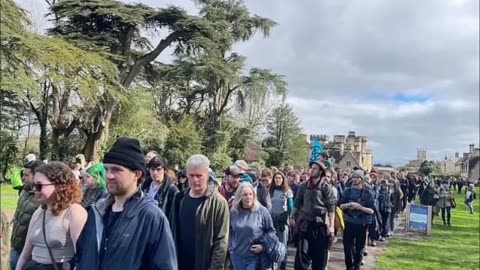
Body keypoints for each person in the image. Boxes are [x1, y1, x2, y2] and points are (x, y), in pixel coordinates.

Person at [74, 137, 177, 270]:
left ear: (137, 174)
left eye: (116, 170)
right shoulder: (97, 212)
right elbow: (81, 255)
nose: (109, 176)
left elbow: (165, 266)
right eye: (107, 169)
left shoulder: (151, 217)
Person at [15, 162, 87, 270]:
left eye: (39, 186)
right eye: (34, 185)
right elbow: (25, 253)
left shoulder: (75, 212)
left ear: (59, 185)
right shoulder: (39, 212)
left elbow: (82, 256)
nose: (34, 189)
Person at [170, 154, 229, 270]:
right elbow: (172, 232)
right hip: (179, 264)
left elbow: (221, 242)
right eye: (191, 175)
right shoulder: (179, 198)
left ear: (207, 175)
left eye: (199, 176)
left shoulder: (218, 203)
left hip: (204, 265)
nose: (194, 180)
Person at [292, 158, 337, 270]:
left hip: (320, 225)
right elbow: (297, 201)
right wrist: (292, 216)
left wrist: (331, 226)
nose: (311, 171)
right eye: (311, 168)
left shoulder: (326, 187)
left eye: (314, 169)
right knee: (302, 254)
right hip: (305, 224)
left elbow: (331, 207)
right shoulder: (304, 185)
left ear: (320, 171)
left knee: (319, 257)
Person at [229, 182, 277, 270]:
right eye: (245, 195)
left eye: (250, 194)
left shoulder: (262, 211)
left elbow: (271, 232)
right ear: (239, 197)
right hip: (237, 257)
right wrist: (231, 248)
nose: (248, 197)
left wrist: (263, 247)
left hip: (255, 258)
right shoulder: (234, 212)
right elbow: (230, 231)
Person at [10, 160, 44, 270]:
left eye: (26, 175)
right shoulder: (24, 191)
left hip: (30, 253)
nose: (22, 178)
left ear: (37, 176)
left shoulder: (42, 197)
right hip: (16, 247)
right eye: (22, 174)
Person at [339, 170, 375, 270]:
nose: (354, 179)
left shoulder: (368, 193)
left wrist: (360, 208)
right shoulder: (348, 191)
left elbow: (371, 210)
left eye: (356, 177)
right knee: (347, 248)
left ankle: (357, 267)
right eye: (353, 177)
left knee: (359, 249)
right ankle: (349, 267)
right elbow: (340, 206)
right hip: (349, 222)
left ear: (361, 179)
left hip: (362, 223)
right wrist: (349, 205)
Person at [269, 172, 293, 270]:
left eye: (279, 178)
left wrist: (290, 217)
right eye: (276, 178)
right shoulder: (270, 190)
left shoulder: (287, 191)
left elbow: (291, 206)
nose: (278, 180)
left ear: (283, 179)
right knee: (272, 244)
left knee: (282, 244)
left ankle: (283, 265)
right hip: (272, 220)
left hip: (283, 221)